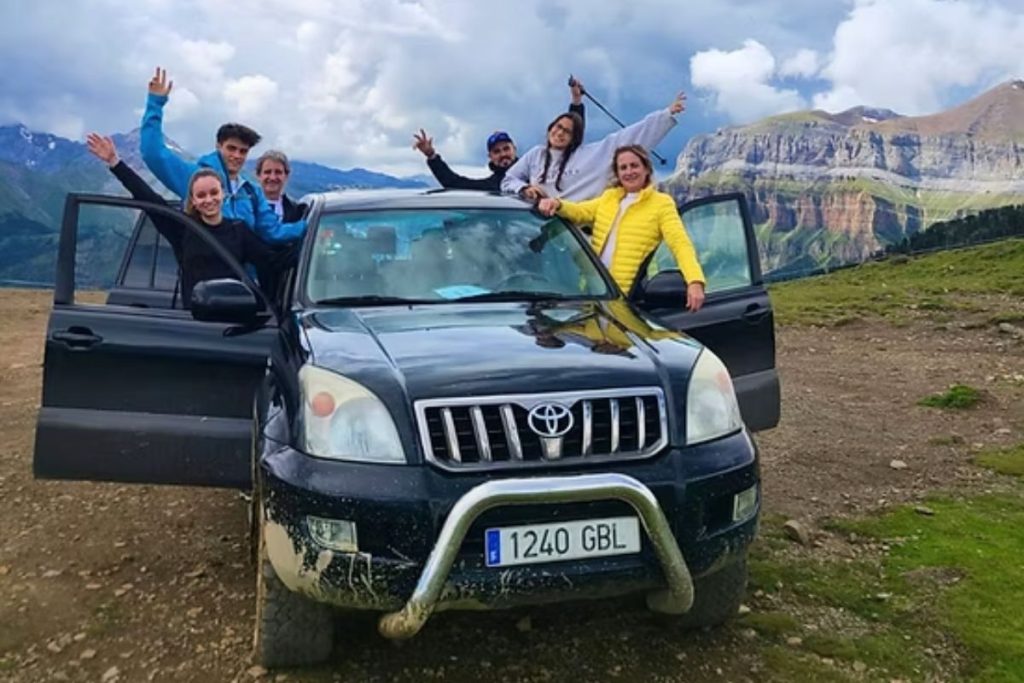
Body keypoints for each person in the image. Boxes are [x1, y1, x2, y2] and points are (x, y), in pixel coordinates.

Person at [87, 133, 288, 307]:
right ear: (193, 200)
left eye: (213, 193)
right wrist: (115, 162)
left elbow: (272, 262)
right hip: (194, 323)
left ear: (223, 194)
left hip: (236, 322)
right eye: (201, 195)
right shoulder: (183, 228)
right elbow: (148, 199)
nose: (208, 199)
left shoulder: (239, 231)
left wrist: (308, 240)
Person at [139, 67, 305, 244]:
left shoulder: (251, 192)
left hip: (242, 264)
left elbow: (272, 232)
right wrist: (155, 103)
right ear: (218, 146)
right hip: (204, 261)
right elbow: (153, 154)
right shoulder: (195, 178)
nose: (237, 155)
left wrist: (310, 226)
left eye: (243, 151)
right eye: (231, 148)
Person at [538, 145, 705, 311]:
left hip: (626, 300)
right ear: (617, 173)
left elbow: (680, 243)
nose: (629, 171)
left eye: (634, 165)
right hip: (592, 293)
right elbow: (580, 211)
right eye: (623, 168)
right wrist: (557, 204)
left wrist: (694, 281)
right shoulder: (609, 198)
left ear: (646, 169)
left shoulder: (661, 203)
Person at [502, 92, 686, 202]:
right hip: (537, 226)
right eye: (558, 127)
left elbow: (628, 137)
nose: (560, 133)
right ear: (550, 128)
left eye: (567, 131)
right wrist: (524, 189)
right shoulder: (536, 154)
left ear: (574, 138)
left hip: (576, 233)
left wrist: (666, 114)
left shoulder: (593, 155)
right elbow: (508, 179)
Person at [411, 80, 587, 192]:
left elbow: (570, 137)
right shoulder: (491, 187)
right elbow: (454, 183)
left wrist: (576, 102)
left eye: (506, 148)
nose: (503, 154)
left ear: (514, 149)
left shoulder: (537, 169)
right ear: (490, 157)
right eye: (496, 151)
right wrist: (432, 156)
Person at [255, 150, 308, 222]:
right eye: (267, 172)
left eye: (278, 172)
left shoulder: (297, 212)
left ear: (286, 176)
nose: (273, 177)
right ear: (258, 175)